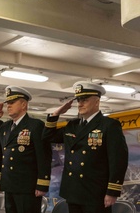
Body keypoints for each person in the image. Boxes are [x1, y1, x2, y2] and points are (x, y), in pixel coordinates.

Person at [42, 81, 128, 213]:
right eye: (79, 100)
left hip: (95, 192)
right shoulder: (73, 125)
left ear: (97, 102)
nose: (80, 104)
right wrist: (55, 115)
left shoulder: (109, 125)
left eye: (85, 100)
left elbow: (118, 160)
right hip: (73, 190)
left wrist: (112, 191)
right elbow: (48, 137)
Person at [0, 86, 52, 213]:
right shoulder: (5, 127)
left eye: (12, 103)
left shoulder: (35, 125)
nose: (8, 106)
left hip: (27, 186)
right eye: (8, 103)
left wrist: (42, 183)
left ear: (23, 104)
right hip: (9, 184)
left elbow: (43, 155)